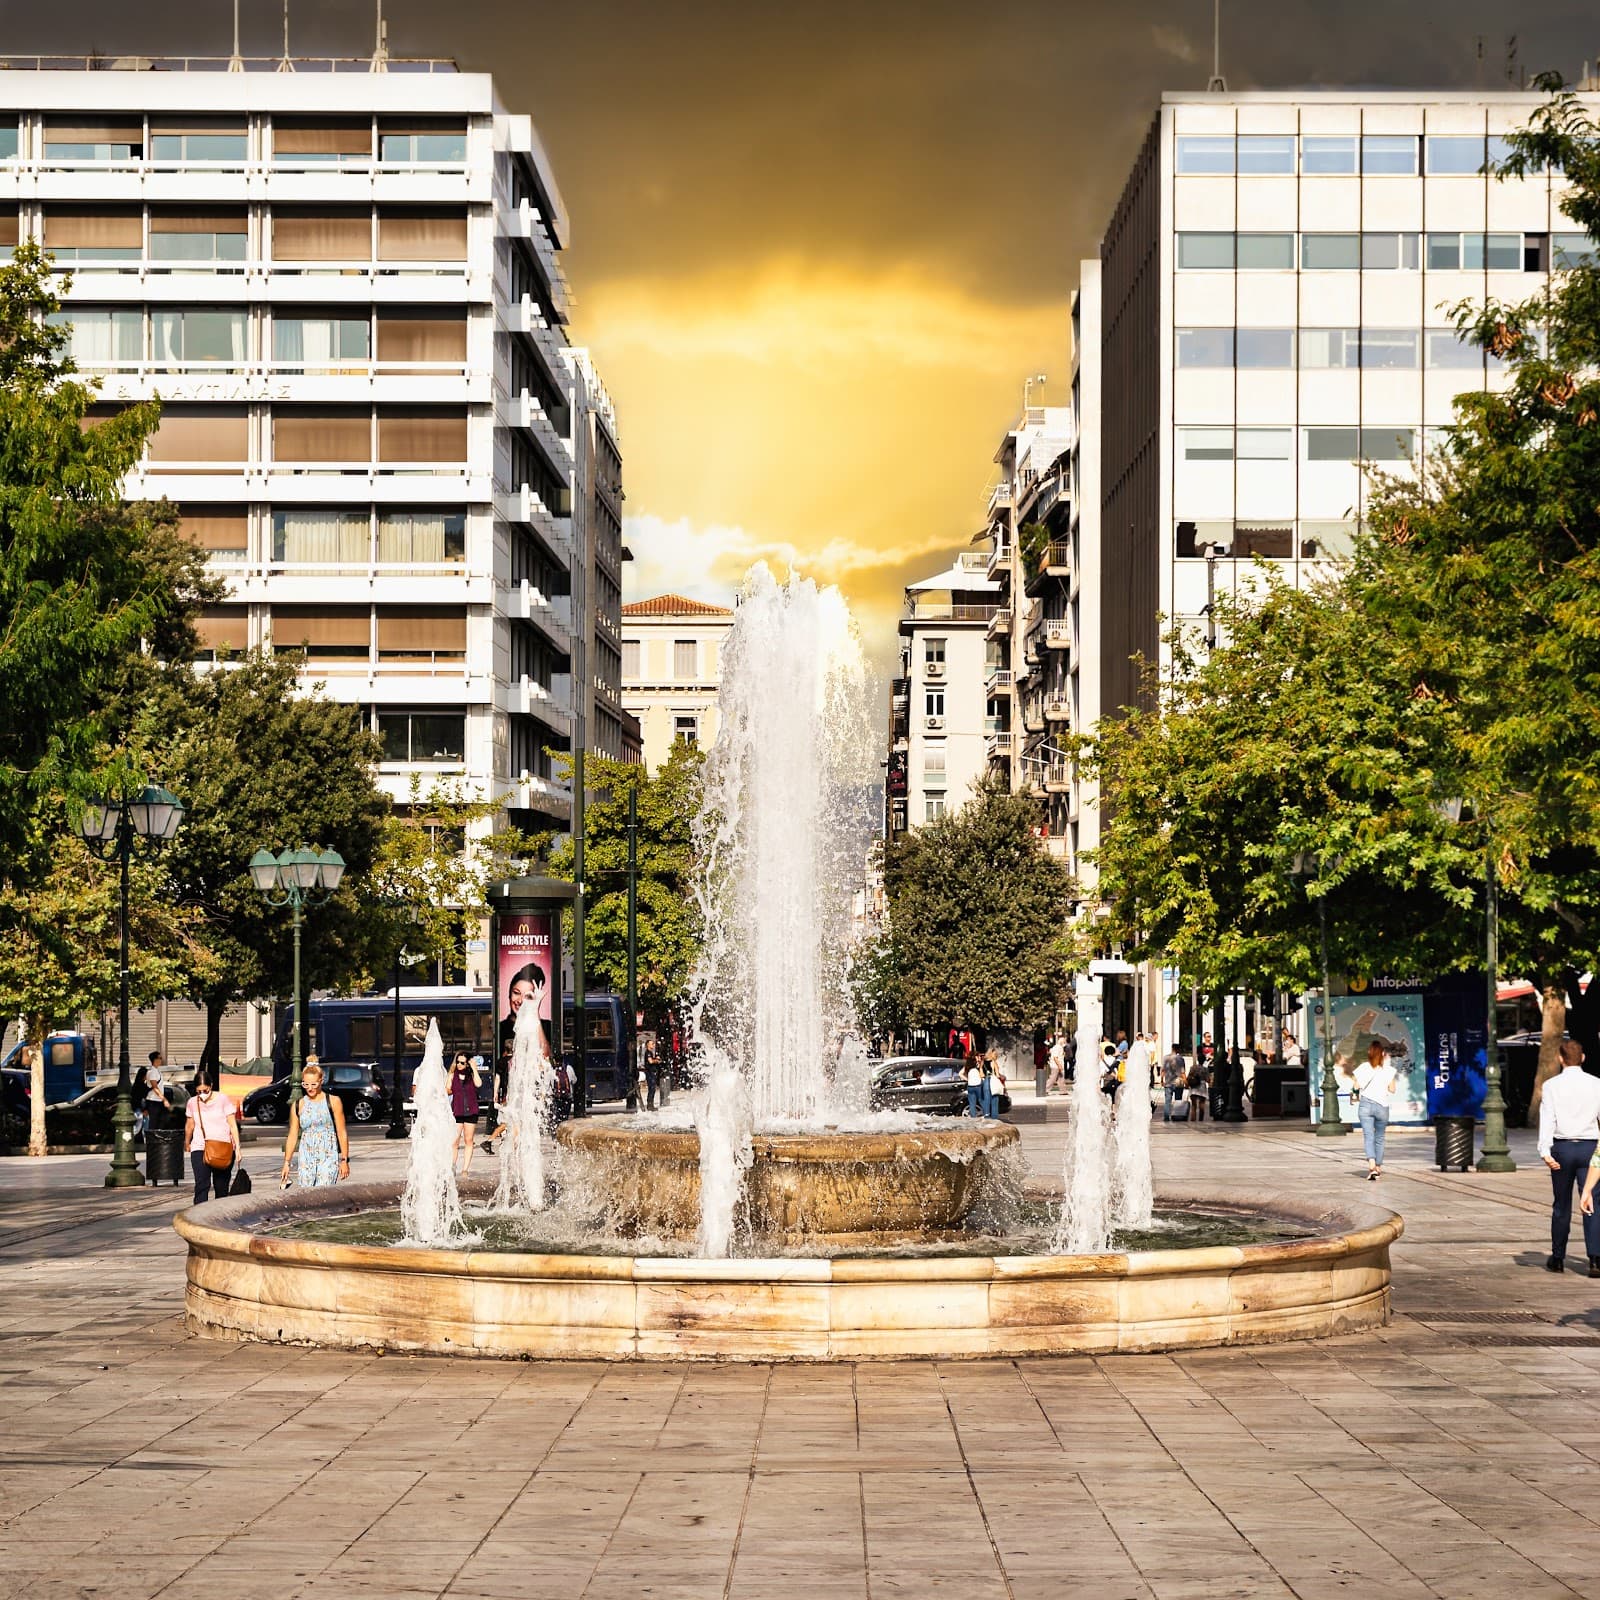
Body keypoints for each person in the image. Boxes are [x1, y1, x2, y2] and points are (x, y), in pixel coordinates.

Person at [1540, 1038, 1600, 1274]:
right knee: (1592, 1201)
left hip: (1562, 1147)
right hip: (1589, 1147)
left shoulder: (1551, 1085)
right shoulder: (1596, 1084)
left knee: (1561, 1204)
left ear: (1560, 1059)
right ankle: (1595, 1258)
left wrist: (1544, 1150)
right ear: (1583, 1058)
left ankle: (1558, 1257)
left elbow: (1547, 1120)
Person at [280, 1060, 348, 1189]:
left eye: (313, 1084)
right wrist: (286, 1163)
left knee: (324, 1193)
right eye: (305, 1084)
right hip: (306, 1156)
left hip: (328, 1155)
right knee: (307, 1195)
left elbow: (341, 1131)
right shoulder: (298, 1105)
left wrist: (344, 1160)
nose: (310, 1088)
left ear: (321, 1081)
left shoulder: (333, 1101)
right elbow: (293, 1134)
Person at [184, 1076, 240, 1204]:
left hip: (223, 1147)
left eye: (205, 1090)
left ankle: (219, 1215)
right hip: (200, 1147)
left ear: (211, 1086)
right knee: (201, 1185)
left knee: (221, 1187)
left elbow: (232, 1124)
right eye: (199, 1092)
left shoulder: (222, 1099)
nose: (202, 1094)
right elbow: (190, 1125)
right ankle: (199, 1216)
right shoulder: (192, 1102)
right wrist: (187, 1142)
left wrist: (238, 1148)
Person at [1352, 1041, 1397, 1180]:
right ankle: (1378, 1166)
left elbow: (1356, 1086)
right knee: (1380, 1138)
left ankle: (1371, 1163)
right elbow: (1392, 1089)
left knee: (1368, 1136)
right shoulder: (1388, 1070)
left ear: (1369, 1053)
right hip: (1382, 1106)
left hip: (1366, 1105)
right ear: (1383, 1054)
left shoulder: (1364, 1067)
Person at [448, 1052, 481, 1174]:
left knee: (468, 1140)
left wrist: (474, 1069)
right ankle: (452, 1166)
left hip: (471, 1111)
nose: (459, 1065)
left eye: (462, 1062)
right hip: (457, 1111)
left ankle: (465, 1169)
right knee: (454, 1141)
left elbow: (478, 1084)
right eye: (458, 1062)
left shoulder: (471, 1075)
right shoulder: (452, 1075)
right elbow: (447, 1089)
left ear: (467, 1064)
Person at [1160, 1044, 1187, 1122]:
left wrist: (1162, 1080)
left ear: (1172, 1048)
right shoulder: (1181, 1059)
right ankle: (1176, 1116)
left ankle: (1166, 1117)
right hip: (1178, 1082)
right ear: (1178, 1049)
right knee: (1178, 1101)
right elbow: (1182, 1072)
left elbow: (1163, 1070)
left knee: (1167, 1101)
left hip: (1168, 1082)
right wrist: (1186, 1082)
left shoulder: (1165, 1058)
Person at [963, 1053, 983, 1118]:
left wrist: (968, 1079)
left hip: (970, 1086)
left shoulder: (967, 1065)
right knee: (981, 1101)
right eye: (977, 1056)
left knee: (972, 1104)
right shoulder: (977, 1065)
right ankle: (986, 1114)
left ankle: (973, 1117)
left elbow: (960, 1073)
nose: (979, 1057)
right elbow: (982, 1075)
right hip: (977, 1086)